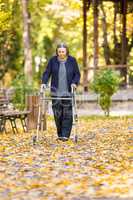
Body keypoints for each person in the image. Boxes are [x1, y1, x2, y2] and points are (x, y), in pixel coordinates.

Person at [41, 43, 80, 141]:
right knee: (57, 114)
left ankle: (65, 135)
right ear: (57, 52)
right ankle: (60, 134)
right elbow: (47, 73)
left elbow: (77, 74)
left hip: (67, 91)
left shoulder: (72, 60)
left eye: (63, 51)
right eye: (59, 51)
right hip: (55, 92)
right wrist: (44, 83)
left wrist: (74, 83)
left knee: (67, 113)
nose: (61, 53)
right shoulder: (52, 61)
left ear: (66, 51)